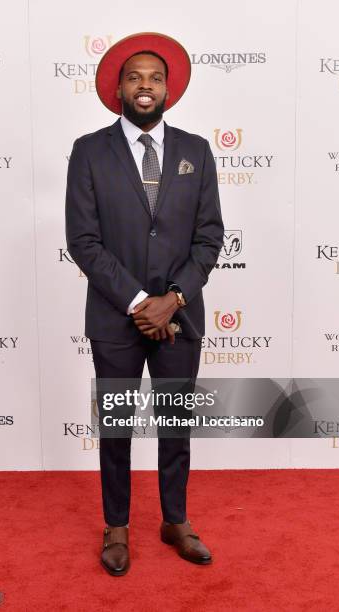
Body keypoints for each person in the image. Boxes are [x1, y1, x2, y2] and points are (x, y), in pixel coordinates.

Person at [65, 32, 224, 576]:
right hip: (115, 317)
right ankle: (117, 526)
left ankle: (175, 519)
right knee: (116, 426)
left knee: (175, 424)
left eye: (155, 77)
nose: (145, 85)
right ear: (118, 87)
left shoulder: (196, 151)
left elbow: (208, 239)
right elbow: (83, 241)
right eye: (135, 76)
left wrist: (173, 299)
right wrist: (140, 302)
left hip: (179, 318)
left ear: (169, 88)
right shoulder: (89, 150)